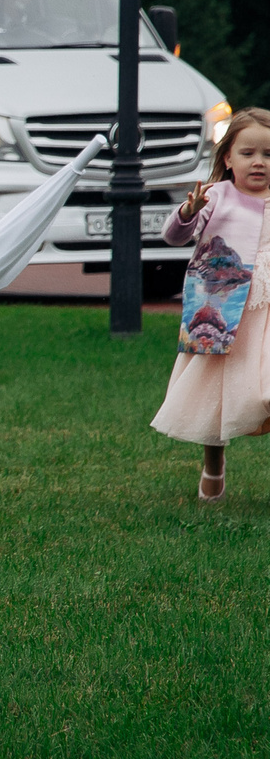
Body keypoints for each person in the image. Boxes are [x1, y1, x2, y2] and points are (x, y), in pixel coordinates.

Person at [154, 107, 270, 503]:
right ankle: (214, 466)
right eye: (248, 153)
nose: (259, 162)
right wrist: (187, 213)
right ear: (227, 158)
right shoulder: (216, 196)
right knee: (217, 395)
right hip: (225, 312)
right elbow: (174, 235)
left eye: (269, 155)